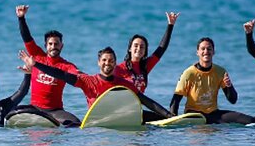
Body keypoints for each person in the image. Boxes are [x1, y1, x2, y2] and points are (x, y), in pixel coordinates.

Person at [19, 47, 172, 121]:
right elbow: (62, 75)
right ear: (99, 62)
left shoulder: (123, 83)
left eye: (111, 60)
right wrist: (37, 65)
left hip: (121, 118)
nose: (108, 63)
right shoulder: (88, 81)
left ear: (115, 63)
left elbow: (145, 100)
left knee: (160, 122)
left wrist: (168, 116)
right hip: (98, 124)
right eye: (104, 60)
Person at [16, 4, 81, 126]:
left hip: (55, 111)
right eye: (50, 44)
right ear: (46, 46)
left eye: (56, 44)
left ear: (62, 46)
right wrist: (21, 18)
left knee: (76, 124)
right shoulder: (37, 56)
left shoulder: (66, 66)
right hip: (35, 108)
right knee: (12, 113)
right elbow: (27, 38)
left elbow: (78, 76)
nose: (53, 47)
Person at [170, 37, 254, 124]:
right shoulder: (189, 73)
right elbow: (175, 101)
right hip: (194, 115)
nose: (206, 51)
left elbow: (233, 100)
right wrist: (173, 121)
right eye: (203, 49)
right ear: (197, 53)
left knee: (249, 121)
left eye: (209, 49)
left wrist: (229, 86)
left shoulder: (220, 71)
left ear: (213, 52)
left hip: (213, 113)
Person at [115, 11, 180, 93]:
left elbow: (161, 48)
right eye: (135, 46)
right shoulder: (119, 69)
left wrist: (170, 25)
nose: (138, 49)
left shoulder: (145, 66)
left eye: (142, 47)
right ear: (130, 49)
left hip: (138, 103)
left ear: (145, 51)